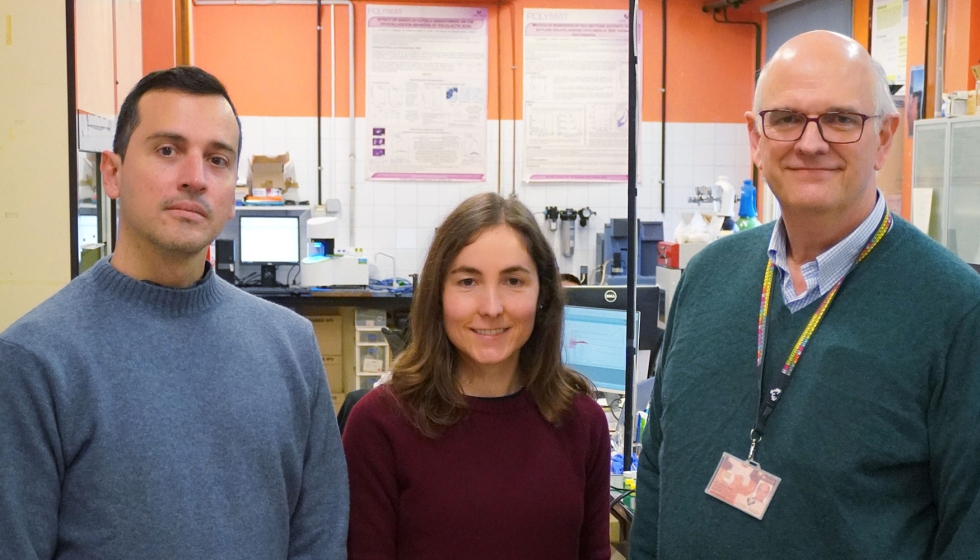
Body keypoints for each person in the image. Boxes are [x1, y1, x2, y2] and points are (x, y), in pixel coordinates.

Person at [631, 31, 980, 559]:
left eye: (840, 119)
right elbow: (657, 472)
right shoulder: (705, 277)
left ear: (885, 137)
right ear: (756, 137)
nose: (811, 143)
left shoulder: (955, 311)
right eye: (787, 118)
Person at [0, 67, 348, 558]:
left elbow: (320, 539)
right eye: (167, 150)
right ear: (112, 173)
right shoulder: (34, 359)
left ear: (232, 196)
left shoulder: (291, 347)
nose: (195, 178)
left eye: (217, 160)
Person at [343, 193, 611, 560]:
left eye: (513, 281)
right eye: (468, 281)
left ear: (543, 294)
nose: (491, 307)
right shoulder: (379, 425)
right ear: (437, 295)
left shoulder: (583, 423)